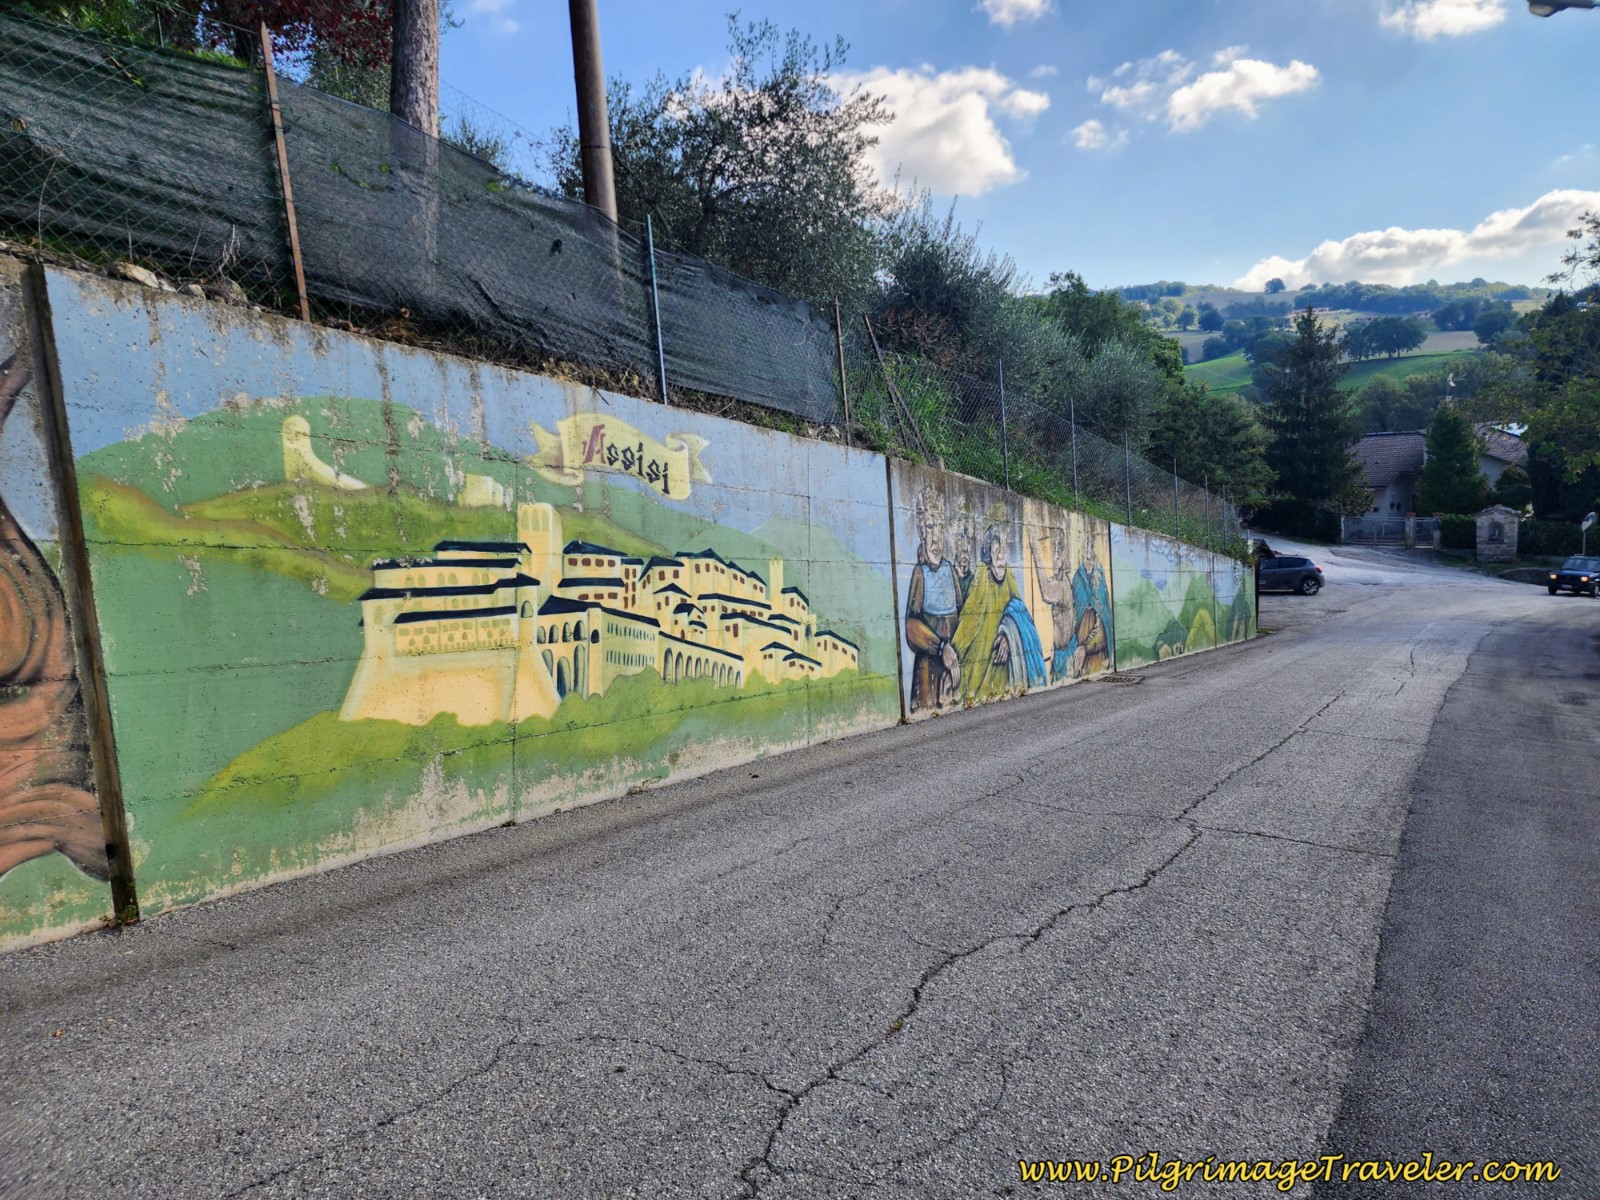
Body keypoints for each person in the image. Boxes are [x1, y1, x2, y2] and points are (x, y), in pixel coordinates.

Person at [951, 506, 1045, 703]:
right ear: (988, 550)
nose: (1002, 555)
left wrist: (1008, 635)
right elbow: (968, 624)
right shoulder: (983, 576)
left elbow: (1021, 613)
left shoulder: (1008, 574)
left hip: (1002, 670)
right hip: (978, 672)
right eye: (997, 546)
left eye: (1004, 548)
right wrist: (952, 654)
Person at [904, 488, 966, 711]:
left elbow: (964, 612)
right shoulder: (920, 573)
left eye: (940, 526)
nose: (936, 536)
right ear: (922, 530)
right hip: (928, 673)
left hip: (951, 673)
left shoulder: (950, 571)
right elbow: (912, 627)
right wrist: (941, 647)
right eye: (931, 527)